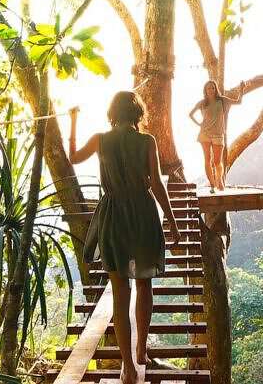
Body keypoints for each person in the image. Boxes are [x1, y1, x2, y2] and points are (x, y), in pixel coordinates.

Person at [68, 91, 183, 384]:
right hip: (143, 213)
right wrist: (171, 220)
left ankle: (128, 366)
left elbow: (73, 157)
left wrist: (72, 121)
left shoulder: (99, 140)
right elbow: (156, 184)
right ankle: (142, 349)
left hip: (113, 214)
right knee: (144, 283)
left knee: (120, 293)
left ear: (112, 113)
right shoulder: (147, 142)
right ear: (137, 114)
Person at [189, 80, 246, 191]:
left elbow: (238, 102)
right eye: (208, 88)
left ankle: (219, 179)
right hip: (204, 134)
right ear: (205, 90)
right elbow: (191, 114)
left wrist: (242, 89)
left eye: (212, 88)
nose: (211, 90)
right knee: (207, 160)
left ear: (216, 89)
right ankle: (212, 184)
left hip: (218, 135)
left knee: (217, 162)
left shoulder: (222, 100)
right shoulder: (202, 103)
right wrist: (199, 124)